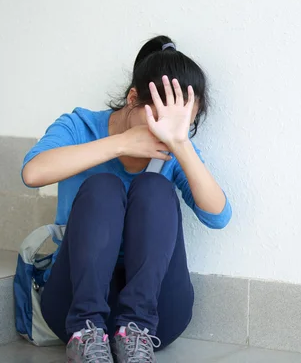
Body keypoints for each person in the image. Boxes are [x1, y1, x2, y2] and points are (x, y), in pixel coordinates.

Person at [21, 35, 232, 363]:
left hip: (156, 317)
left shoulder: (173, 148)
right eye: (158, 121)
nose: (164, 133)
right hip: (75, 305)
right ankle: (87, 335)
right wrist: (119, 144)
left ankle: (134, 331)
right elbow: (32, 173)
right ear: (133, 98)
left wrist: (181, 145)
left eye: (182, 126)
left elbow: (218, 215)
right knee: (103, 186)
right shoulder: (81, 126)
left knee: (155, 188)